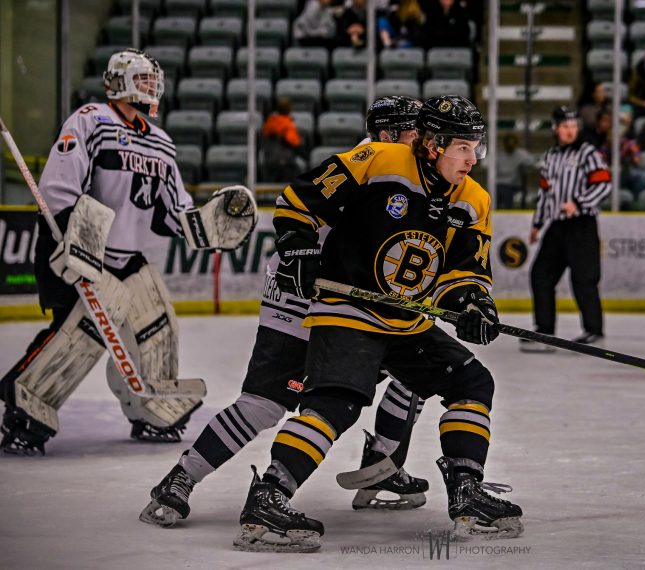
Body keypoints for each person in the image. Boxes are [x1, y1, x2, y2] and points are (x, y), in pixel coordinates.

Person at [232, 95, 523, 553]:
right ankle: (268, 497)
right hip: (348, 311)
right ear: (434, 145)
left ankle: (467, 492)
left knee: (472, 381)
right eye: (463, 148)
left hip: (405, 320)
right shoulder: (380, 159)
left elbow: (465, 271)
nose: (472, 159)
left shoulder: (474, 200)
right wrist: (302, 248)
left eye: (476, 148)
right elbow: (299, 200)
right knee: (336, 406)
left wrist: (473, 304)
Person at [140, 96, 430, 528]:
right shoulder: (365, 164)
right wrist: (302, 251)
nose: (426, 142)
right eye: (416, 132)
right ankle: (180, 479)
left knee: (421, 368)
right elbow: (296, 206)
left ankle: (381, 464)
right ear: (389, 134)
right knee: (264, 403)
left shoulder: (412, 173)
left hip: (353, 307)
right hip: (302, 299)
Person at [0, 49, 257, 455]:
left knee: (159, 328)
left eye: (154, 80)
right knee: (80, 336)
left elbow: (175, 212)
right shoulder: (91, 120)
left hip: (130, 257)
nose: (152, 86)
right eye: (143, 78)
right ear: (119, 81)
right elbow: (60, 186)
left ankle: (151, 408)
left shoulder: (161, 143)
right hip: (85, 249)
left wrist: (208, 226)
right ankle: (26, 411)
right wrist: (73, 239)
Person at [521, 105, 612, 354]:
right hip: (557, 225)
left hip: (581, 224)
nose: (570, 131)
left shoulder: (588, 153)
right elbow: (545, 194)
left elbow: (604, 185)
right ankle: (545, 331)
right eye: (565, 126)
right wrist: (537, 224)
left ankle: (594, 331)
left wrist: (579, 202)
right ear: (555, 128)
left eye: (573, 126)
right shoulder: (551, 156)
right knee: (540, 275)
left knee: (584, 279)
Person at [582, 105, 645, 197]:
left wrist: (628, 160)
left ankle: (635, 202)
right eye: (605, 120)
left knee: (641, 176)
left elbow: (636, 157)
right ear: (598, 121)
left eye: (610, 121)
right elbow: (598, 158)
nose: (608, 124)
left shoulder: (626, 141)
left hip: (622, 172)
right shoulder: (595, 139)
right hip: (604, 172)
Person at [261, 97, 303, 183]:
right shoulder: (287, 125)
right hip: (285, 164)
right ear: (289, 110)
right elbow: (295, 143)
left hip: (269, 161)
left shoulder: (269, 122)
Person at [494, 132, 537, 209]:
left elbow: (532, 164)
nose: (510, 145)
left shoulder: (522, 154)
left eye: (512, 142)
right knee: (498, 190)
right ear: (504, 143)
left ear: (516, 143)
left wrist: (525, 166)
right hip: (499, 185)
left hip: (514, 185)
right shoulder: (498, 155)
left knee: (506, 191)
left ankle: (508, 213)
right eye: (508, 142)